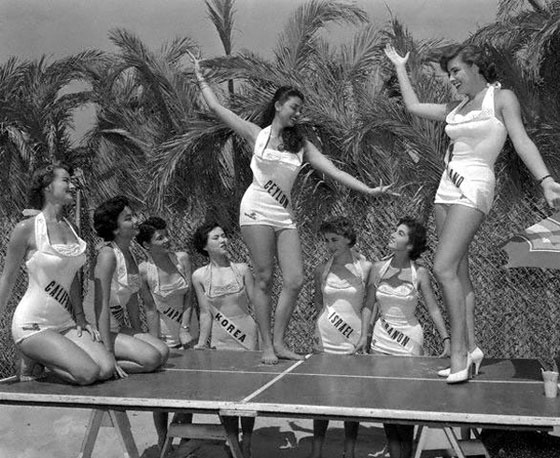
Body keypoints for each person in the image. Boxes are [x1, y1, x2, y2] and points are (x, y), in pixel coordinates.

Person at [190, 51, 396, 364]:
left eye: (301, 109)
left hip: (283, 214)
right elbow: (218, 108)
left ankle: (279, 341)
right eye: (293, 107)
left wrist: (368, 189)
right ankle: (267, 347)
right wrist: (200, 77)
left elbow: (333, 170)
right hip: (255, 210)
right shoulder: (256, 135)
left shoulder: (301, 145)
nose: (298, 113)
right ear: (278, 105)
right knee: (264, 278)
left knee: (295, 279)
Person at [385, 43, 560, 383]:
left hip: (476, 184)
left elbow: (522, 140)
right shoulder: (456, 106)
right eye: (448, 73)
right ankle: (472, 347)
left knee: (442, 267)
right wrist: (400, 67)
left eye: (455, 71)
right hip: (447, 186)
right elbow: (413, 106)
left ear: (477, 67)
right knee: (459, 272)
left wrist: (546, 180)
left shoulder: (502, 98)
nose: (451, 78)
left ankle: (459, 355)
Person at [0, 163, 114, 385]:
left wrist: (80, 317)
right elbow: (7, 278)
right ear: (47, 187)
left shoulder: (72, 228)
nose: (72, 185)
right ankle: (32, 356)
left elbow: (72, 277)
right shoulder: (26, 228)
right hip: (32, 324)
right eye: (66, 180)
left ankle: (43, 358)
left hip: (65, 323)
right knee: (88, 373)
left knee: (106, 368)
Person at [369, 217, 450, 458]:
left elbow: (433, 308)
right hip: (381, 339)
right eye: (395, 230)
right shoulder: (377, 268)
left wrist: (446, 339)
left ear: (411, 245)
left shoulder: (420, 273)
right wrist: (364, 334)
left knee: (404, 405)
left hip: (409, 341)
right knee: (386, 405)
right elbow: (369, 305)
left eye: (400, 233)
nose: (393, 234)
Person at [309, 217, 374, 458]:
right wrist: (318, 329)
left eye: (334, 239)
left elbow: (370, 303)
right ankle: (317, 451)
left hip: (353, 337)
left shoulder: (366, 268)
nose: (330, 245)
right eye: (326, 240)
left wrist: (365, 334)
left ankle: (350, 452)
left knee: (351, 398)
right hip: (326, 337)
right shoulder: (321, 269)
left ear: (348, 238)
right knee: (322, 397)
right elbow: (319, 302)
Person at [191, 221, 258, 457]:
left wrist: (266, 340)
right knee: (226, 396)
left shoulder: (242, 269)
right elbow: (204, 312)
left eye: (224, 236)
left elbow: (256, 304)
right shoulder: (199, 275)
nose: (223, 240)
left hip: (247, 335)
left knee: (248, 395)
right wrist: (202, 343)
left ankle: (247, 444)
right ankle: (233, 443)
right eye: (216, 237)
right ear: (205, 246)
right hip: (221, 339)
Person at [88, 196, 169, 378]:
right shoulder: (107, 255)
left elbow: (132, 301)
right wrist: (109, 353)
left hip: (115, 326)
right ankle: (101, 362)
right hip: (96, 327)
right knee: (151, 358)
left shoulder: (129, 254)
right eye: (128, 218)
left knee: (162, 352)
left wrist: (137, 334)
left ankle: (111, 358)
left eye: (133, 216)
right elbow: (100, 305)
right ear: (115, 228)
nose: (136, 220)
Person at [136, 216, 198, 450]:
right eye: (160, 238)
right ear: (146, 245)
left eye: (166, 235)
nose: (167, 240)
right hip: (164, 334)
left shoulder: (182, 259)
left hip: (188, 329)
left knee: (189, 387)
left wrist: (185, 329)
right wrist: (156, 343)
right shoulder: (144, 271)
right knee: (161, 392)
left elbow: (189, 296)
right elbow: (150, 309)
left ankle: (185, 437)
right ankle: (163, 438)